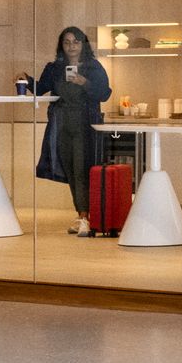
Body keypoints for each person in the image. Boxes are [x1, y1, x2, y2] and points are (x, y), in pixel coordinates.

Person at [34, 27, 111, 237]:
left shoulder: (93, 67)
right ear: (62, 45)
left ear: (82, 44)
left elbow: (104, 94)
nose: (71, 46)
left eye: (75, 42)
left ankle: (86, 217)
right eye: (67, 42)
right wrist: (24, 79)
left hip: (84, 124)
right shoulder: (55, 68)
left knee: (82, 169)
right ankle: (81, 215)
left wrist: (84, 82)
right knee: (69, 170)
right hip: (61, 124)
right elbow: (40, 88)